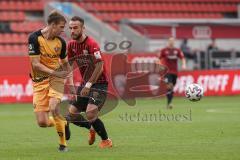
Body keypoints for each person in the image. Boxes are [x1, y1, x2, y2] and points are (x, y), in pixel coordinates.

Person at [65, 16, 112, 148]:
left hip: (99, 83)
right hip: (85, 84)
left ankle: (106, 140)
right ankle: (92, 127)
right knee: (72, 115)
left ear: (83, 28)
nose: (72, 31)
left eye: (75, 28)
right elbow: (69, 64)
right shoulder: (71, 45)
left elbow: (100, 66)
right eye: (70, 28)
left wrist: (89, 84)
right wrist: (70, 83)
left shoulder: (92, 44)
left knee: (90, 112)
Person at [28, 11, 70, 152]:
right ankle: (62, 122)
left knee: (54, 107)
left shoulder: (61, 43)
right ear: (52, 25)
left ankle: (63, 145)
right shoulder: (34, 38)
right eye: (61, 27)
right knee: (42, 122)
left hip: (56, 79)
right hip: (39, 81)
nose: (63, 30)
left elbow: (65, 64)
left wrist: (68, 78)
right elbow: (35, 64)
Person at [159, 37, 186, 109]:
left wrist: (183, 65)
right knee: (170, 86)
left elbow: (182, 58)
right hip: (167, 72)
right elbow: (158, 58)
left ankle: (169, 103)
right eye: (170, 41)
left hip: (175, 72)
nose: (171, 42)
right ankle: (169, 103)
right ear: (168, 41)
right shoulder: (164, 50)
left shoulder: (177, 50)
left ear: (174, 42)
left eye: (173, 41)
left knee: (171, 88)